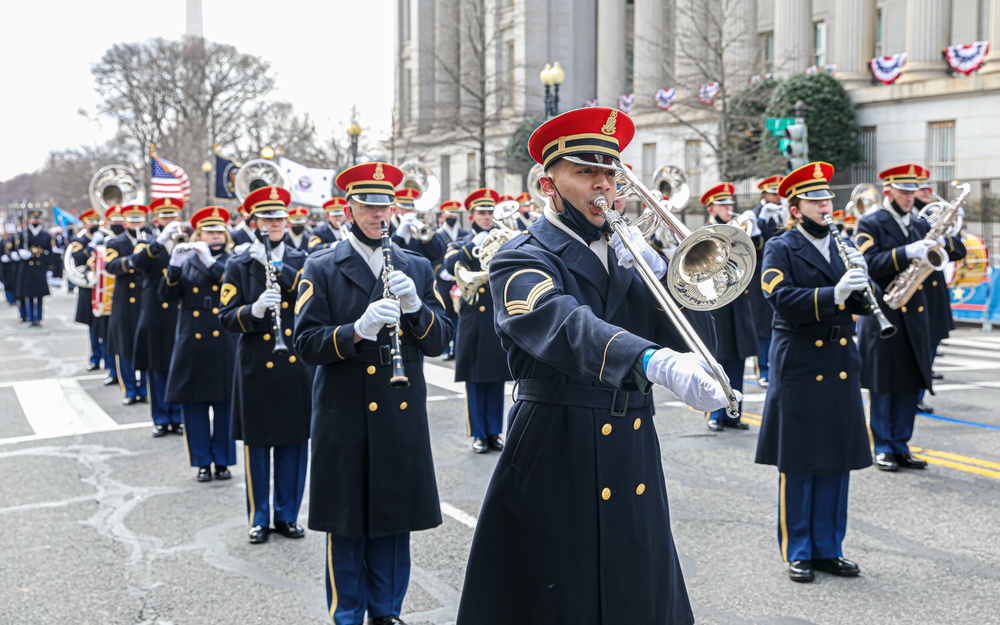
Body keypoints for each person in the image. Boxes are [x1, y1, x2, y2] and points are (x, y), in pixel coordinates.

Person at [457, 107, 732, 625]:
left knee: (637, 589)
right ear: (548, 184)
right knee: (559, 595)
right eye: (586, 172)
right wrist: (652, 359)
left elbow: (696, 339)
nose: (603, 185)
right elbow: (563, 325)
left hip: (631, 445)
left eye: (611, 172)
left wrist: (667, 276)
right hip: (557, 443)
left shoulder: (628, 251)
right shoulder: (522, 256)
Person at [294, 161, 453, 625]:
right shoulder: (320, 266)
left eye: (384, 205)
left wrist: (416, 307)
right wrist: (355, 331)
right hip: (343, 413)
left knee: (392, 519)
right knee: (346, 524)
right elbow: (306, 344)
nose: (377, 215)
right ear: (349, 208)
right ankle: (347, 614)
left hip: (397, 414)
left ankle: (387, 613)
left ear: (395, 208)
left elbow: (442, 339)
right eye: (367, 205)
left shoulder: (417, 266)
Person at [755, 161, 874, 583]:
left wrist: (863, 283)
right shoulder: (781, 246)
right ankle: (799, 549)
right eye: (816, 200)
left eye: (827, 198)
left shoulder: (843, 244)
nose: (826, 205)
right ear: (796, 206)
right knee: (801, 460)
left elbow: (860, 305)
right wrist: (833, 293)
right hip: (801, 361)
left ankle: (829, 547)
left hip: (839, 360)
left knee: (836, 459)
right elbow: (781, 298)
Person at [853, 164, 963, 472]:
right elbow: (868, 263)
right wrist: (907, 252)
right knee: (884, 383)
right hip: (885, 314)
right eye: (903, 191)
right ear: (888, 190)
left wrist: (943, 240)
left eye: (912, 191)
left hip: (915, 317)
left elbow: (958, 250)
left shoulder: (918, 223)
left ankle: (901, 444)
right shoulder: (870, 223)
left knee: (910, 382)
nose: (909, 197)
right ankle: (884, 446)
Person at [219, 185, 312, 544]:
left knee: (293, 443)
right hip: (256, 361)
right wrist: (253, 310)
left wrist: (277, 267)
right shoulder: (238, 263)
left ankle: (287, 515)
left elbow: (308, 297)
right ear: (253, 221)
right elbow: (227, 316)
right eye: (266, 218)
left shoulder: (305, 259)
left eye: (279, 218)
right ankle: (259, 516)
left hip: (294, 364)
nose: (274, 224)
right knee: (257, 445)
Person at [160, 206, 237, 482]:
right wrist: (173, 267)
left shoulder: (233, 259)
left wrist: (211, 263)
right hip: (192, 337)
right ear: (199, 234)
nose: (215, 236)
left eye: (219, 231)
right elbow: (166, 296)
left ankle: (224, 460)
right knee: (194, 406)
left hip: (223, 336)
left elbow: (233, 284)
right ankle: (202, 461)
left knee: (225, 403)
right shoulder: (189, 259)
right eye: (209, 231)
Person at [443, 188, 513, 452]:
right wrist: (473, 247)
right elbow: (450, 266)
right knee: (474, 380)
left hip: (495, 317)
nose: (486, 217)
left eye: (489, 212)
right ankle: (478, 433)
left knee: (495, 378)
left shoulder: (502, 239)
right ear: (471, 215)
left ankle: (494, 432)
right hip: (472, 318)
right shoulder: (460, 243)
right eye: (482, 213)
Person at [700, 182, 757, 431]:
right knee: (717, 360)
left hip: (738, 302)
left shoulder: (738, 232)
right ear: (712, 208)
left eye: (731, 205)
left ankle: (734, 414)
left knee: (737, 360)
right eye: (724, 205)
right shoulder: (705, 232)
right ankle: (714, 413)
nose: (729, 208)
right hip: (716, 303)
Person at [131, 197, 185, 436]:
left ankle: (179, 415)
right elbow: (138, 263)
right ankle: (161, 417)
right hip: (155, 308)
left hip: (180, 309)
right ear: (157, 220)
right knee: (157, 365)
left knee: (180, 364)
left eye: (173, 216)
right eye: (165, 217)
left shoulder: (187, 240)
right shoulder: (148, 241)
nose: (170, 221)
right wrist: (160, 243)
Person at [913, 169, 964, 410]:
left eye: (926, 189)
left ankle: (919, 396)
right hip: (910, 294)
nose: (926, 193)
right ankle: (910, 396)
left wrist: (944, 239)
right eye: (921, 189)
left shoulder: (932, 215)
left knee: (931, 345)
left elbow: (959, 250)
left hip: (933, 294)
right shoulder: (894, 220)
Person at [104, 203, 150, 406]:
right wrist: (134, 259)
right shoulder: (115, 242)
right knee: (125, 347)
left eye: (139, 220)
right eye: (132, 220)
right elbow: (111, 266)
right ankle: (130, 390)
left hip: (146, 298)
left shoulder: (152, 239)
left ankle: (145, 388)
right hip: (124, 300)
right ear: (124, 222)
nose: (136, 224)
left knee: (148, 346)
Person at [749, 175, 784, 386]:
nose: (777, 197)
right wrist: (759, 223)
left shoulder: (784, 213)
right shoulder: (754, 215)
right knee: (761, 326)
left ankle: (776, 366)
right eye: (773, 193)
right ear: (764, 194)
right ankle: (763, 370)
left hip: (782, 274)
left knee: (778, 322)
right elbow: (753, 248)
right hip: (759, 276)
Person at [67, 209, 106, 371]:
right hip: (88, 286)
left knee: (105, 325)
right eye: (91, 222)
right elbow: (77, 259)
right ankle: (95, 357)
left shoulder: (105, 237)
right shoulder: (79, 240)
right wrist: (91, 248)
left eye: (97, 221)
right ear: (85, 223)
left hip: (104, 286)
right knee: (92, 325)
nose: (95, 225)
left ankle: (107, 357)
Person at [434, 200, 469, 360]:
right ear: (443, 216)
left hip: (461, 279)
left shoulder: (463, 233)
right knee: (447, 313)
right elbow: (433, 258)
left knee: (459, 314)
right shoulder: (437, 234)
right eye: (450, 215)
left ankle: (457, 347)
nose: (453, 217)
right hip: (444, 280)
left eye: (455, 215)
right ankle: (447, 347)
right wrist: (441, 272)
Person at [15, 208, 52, 326]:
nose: (35, 220)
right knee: (29, 294)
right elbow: (17, 248)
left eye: (37, 218)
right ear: (29, 219)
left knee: (40, 295)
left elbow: (49, 252)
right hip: (28, 268)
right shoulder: (23, 234)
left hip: (40, 267)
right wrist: (21, 253)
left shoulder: (45, 234)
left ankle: (39, 317)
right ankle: (31, 317)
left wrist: (50, 269)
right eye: (33, 218)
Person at [392, 187, 445, 262]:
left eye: (411, 209)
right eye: (405, 209)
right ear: (395, 209)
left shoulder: (419, 226)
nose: (409, 212)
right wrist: (398, 235)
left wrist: (427, 236)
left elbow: (437, 254)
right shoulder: (389, 226)